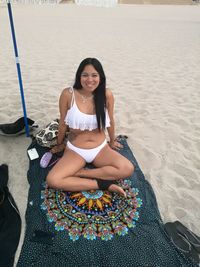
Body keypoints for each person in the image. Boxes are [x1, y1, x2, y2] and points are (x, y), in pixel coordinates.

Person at [46, 58, 134, 197]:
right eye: (85, 75)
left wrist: (111, 141)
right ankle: (102, 184)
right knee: (53, 180)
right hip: (76, 151)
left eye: (94, 75)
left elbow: (110, 120)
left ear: (100, 77)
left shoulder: (106, 95)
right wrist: (59, 144)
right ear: (79, 76)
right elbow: (62, 123)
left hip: (100, 149)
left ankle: (82, 173)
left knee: (127, 168)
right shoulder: (68, 94)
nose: (89, 80)